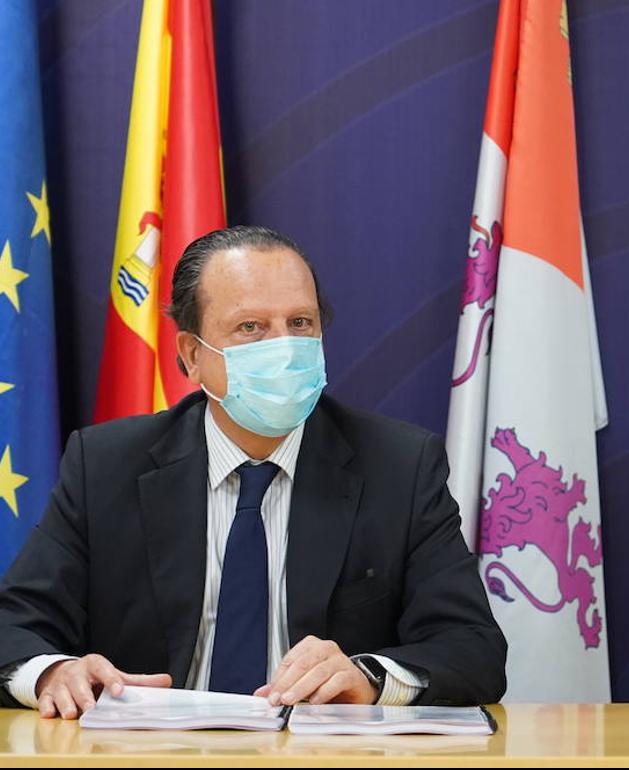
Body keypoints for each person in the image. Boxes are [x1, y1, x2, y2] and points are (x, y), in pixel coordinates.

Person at [0, 225, 506, 718]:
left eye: (300, 323)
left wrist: (369, 677)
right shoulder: (106, 465)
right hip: (152, 752)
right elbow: (14, 625)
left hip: (317, 755)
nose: (284, 348)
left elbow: (473, 648)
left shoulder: (399, 466)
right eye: (251, 328)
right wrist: (52, 673)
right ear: (192, 356)